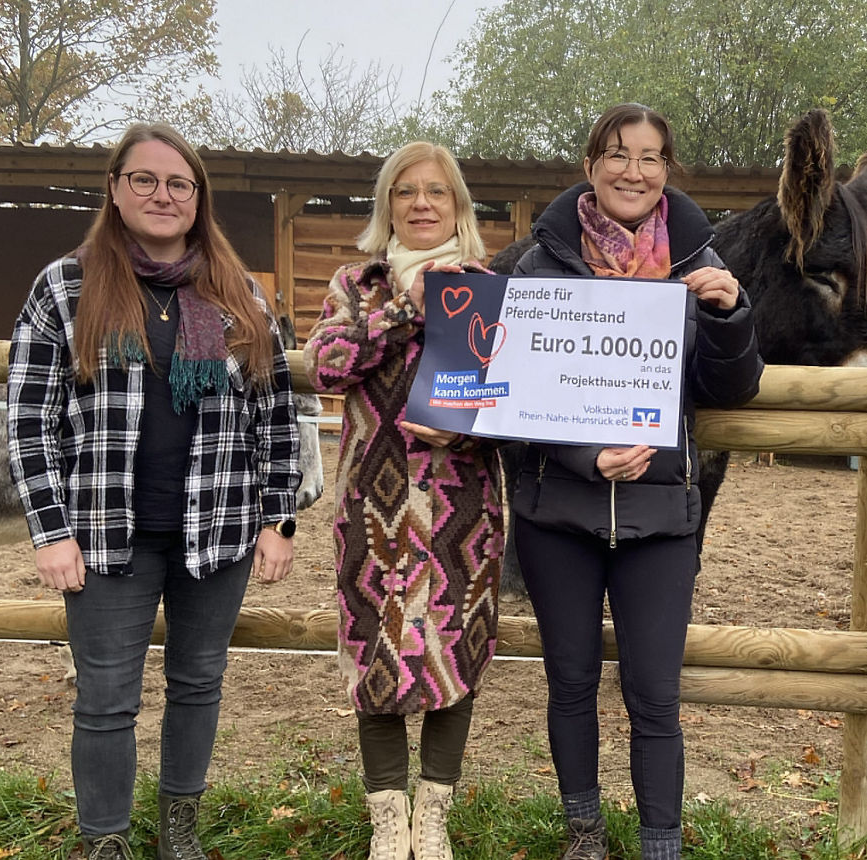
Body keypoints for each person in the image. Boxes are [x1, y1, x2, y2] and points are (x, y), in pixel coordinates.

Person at [7, 123, 300, 860]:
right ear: (115, 188)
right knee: (105, 701)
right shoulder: (66, 288)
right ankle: (105, 839)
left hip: (221, 531)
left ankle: (179, 831)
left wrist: (279, 519)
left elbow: (277, 415)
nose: (162, 195)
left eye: (178, 183)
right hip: (107, 536)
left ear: (197, 198)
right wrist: (50, 529)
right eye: (145, 179)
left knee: (198, 683)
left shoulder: (239, 295)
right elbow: (28, 419)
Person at [508, 103, 763, 860]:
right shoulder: (539, 264)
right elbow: (516, 393)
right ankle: (584, 834)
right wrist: (586, 457)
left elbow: (733, 390)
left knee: (656, 697)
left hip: (660, 514)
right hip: (559, 510)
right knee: (572, 682)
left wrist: (729, 315)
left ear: (666, 173)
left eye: (651, 157)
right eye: (619, 154)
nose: (634, 170)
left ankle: (661, 846)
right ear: (591, 166)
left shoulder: (698, 266)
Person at [303, 141, 503, 860]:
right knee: (374, 654)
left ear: (459, 207)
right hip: (374, 506)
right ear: (387, 204)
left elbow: (515, 407)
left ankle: (434, 814)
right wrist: (402, 312)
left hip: (463, 506)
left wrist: (465, 439)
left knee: (458, 648)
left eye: (438, 192)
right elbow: (326, 366)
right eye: (406, 192)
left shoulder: (489, 287)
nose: (422, 204)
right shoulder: (356, 285)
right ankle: (389, 817)